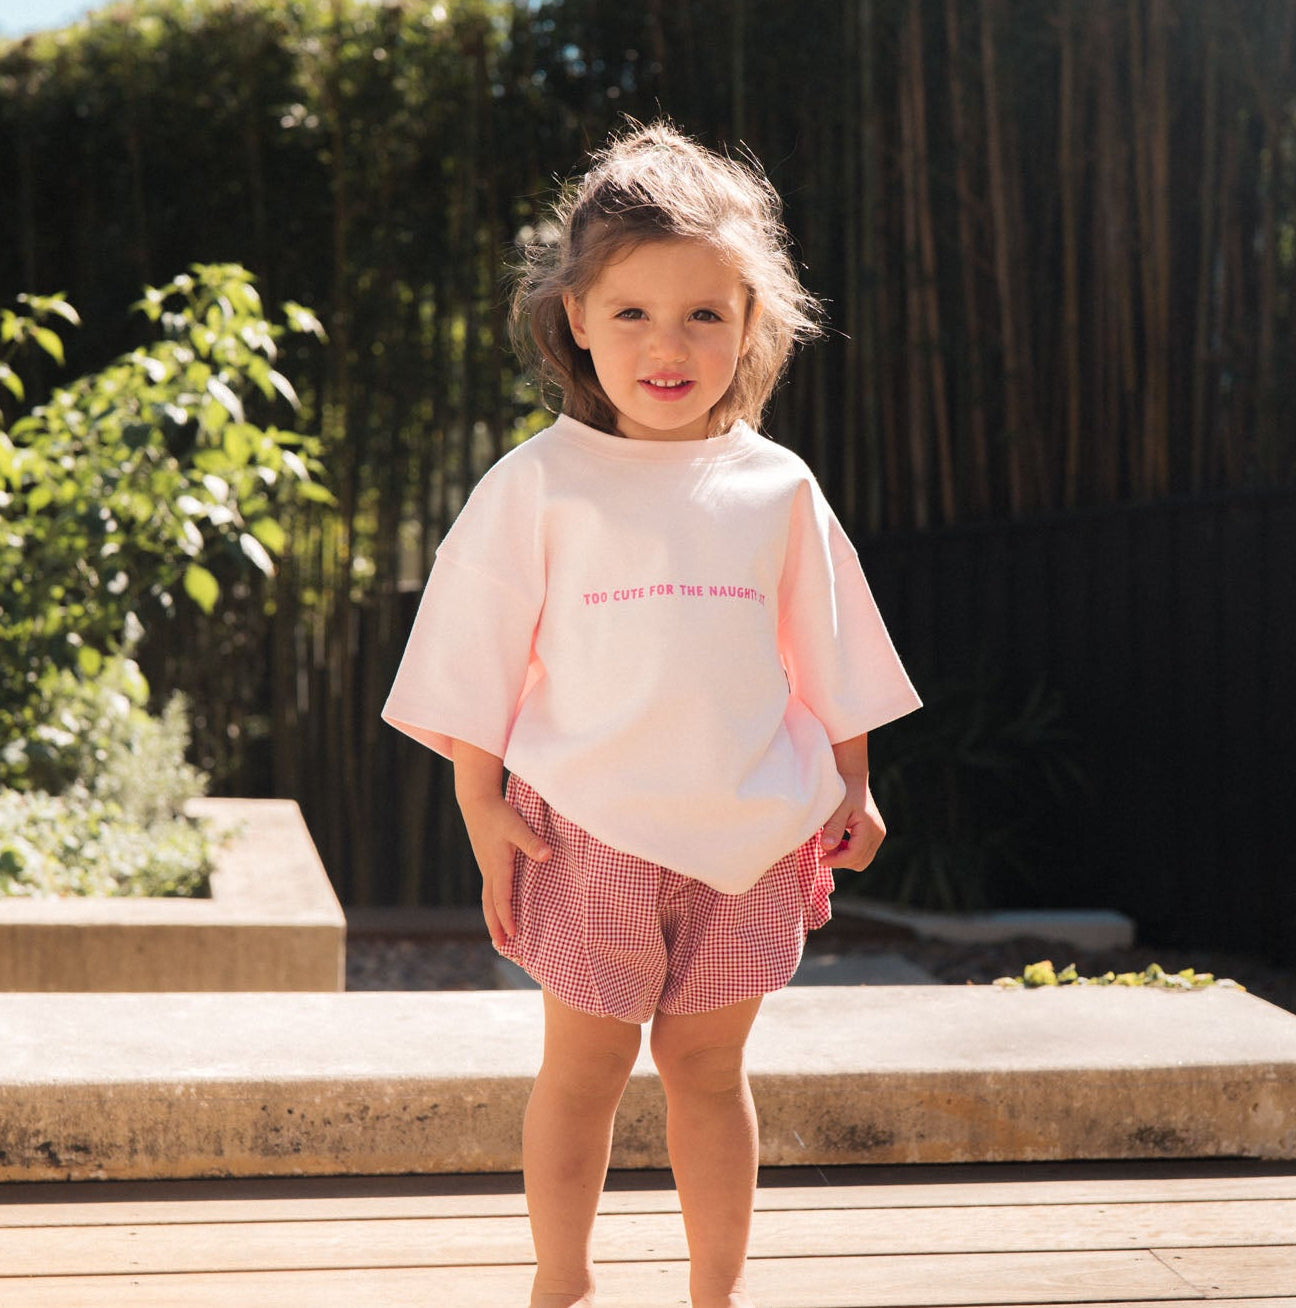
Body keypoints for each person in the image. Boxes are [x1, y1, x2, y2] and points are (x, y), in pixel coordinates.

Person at [383, 120, 921, 1308]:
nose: (667, 345)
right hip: (583, 830)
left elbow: (829, 648)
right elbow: (479, 654)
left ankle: (714, 1294)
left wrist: (855, 779)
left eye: (703, 315)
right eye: (631, 313)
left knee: (706, 1068)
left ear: (752, 324)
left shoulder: (776, 486)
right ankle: (562, 1281)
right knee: (580, 1068)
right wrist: (479, 805)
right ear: (576, 317)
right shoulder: (536, 482)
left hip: (748, 835)